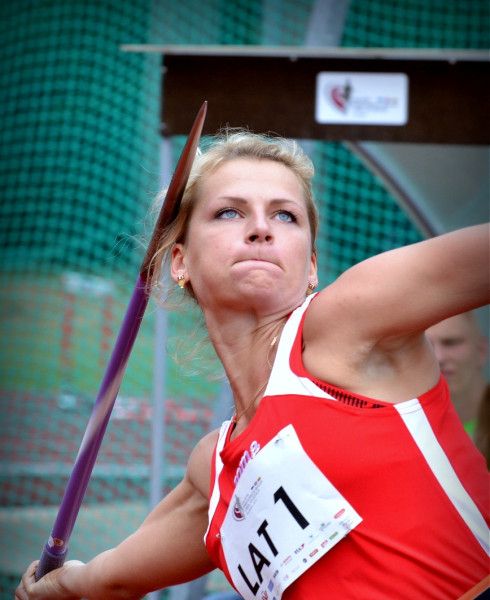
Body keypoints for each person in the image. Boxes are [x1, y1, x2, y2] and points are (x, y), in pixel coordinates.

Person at [16, 130, 489, 600]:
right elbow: (105, 582)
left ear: (311, 268)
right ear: (179, 262)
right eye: (229, 212)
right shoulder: (217, 474)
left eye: (285, 215)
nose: (261, 228)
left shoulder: (349, 322)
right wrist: (54, 584)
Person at [426, 311, 489, 439]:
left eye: (451, 343)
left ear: (481, 350)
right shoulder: (406, 432)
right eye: (426, 346)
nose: (439, 357)